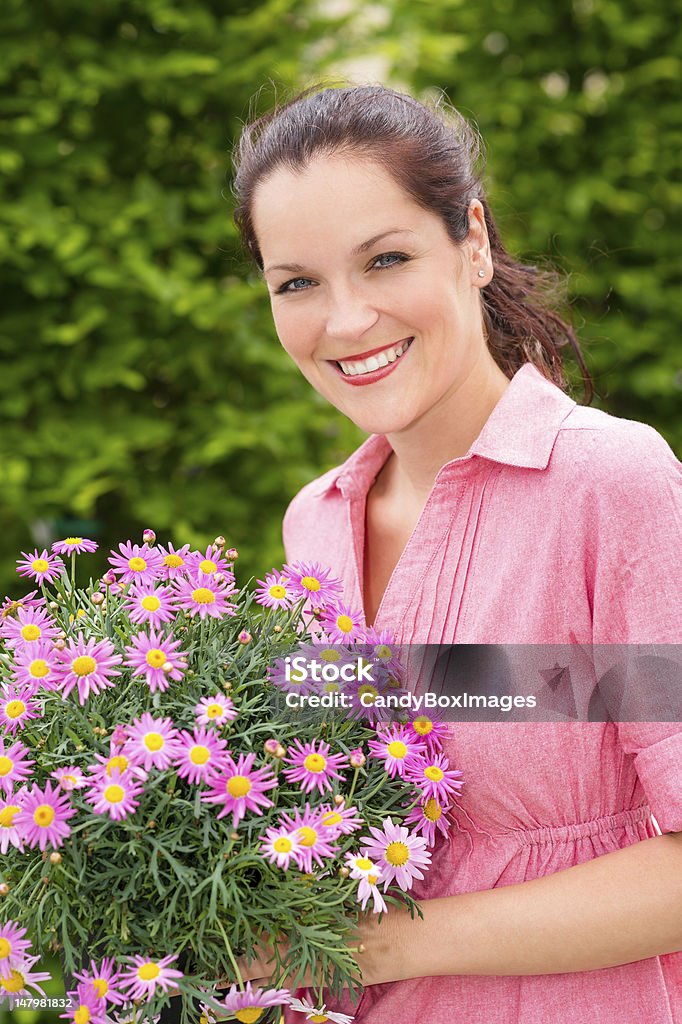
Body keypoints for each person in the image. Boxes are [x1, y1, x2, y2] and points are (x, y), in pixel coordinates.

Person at [231, 84, 682, 1023]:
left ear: (472, 242)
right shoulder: (312, 523)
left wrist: (386, 940)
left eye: (386, 259)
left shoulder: (610, 483)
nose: (345, 321)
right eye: (297, 282)